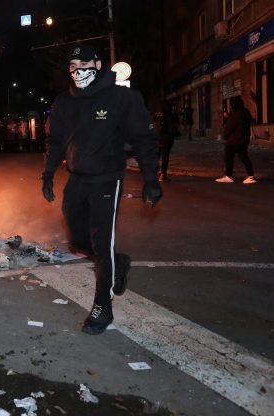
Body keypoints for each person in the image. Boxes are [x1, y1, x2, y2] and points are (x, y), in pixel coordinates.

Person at [41, 44, 162, 335]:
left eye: (83, 63)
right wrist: (47, 174)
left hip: (107, 179)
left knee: (102, 242)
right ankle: (118, 263)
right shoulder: (64, 102)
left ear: (97, 64)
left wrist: (151, 179)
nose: (77, 70)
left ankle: (102, 307)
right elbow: (55, 141)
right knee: (79, 241)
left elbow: (144, 140)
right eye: (72, 66)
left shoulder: (123, 98)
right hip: (77, 180)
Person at [216, 96, 256, 184]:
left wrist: (225, 136)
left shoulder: (235, 115)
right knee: (245, 158)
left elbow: (230, 127)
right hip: (243, 139)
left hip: (234, 140)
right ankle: (251, 176)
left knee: (228, 158)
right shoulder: (245, 112)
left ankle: (228, 176)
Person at [156, 104, 180, 181]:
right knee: (165, 157)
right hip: (165, 140)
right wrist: (177, 133)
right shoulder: (169, 116)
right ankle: (163, 174)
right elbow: (171, 129)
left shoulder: (156, 116)